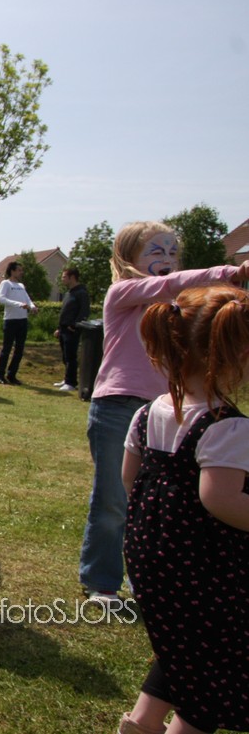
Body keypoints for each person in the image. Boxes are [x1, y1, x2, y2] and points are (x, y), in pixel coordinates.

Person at [78, 220, 249, 604]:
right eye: (157, 251)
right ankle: (101, 581)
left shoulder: (176, 306)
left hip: (167, 409)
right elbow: (173, 283)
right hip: (118, 406)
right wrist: (231, 272)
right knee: (113, 499)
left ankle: (147, 577)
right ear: (128, 258)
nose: (168, 259)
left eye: (173, 251)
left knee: (157, 502)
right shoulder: (122, 292)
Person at [117, 284, 249, 734]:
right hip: (206, 569)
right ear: (239, 356)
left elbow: (130, 479)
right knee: (215, 673)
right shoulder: (226, 426)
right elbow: (221, 499)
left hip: (150, 558)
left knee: (182, 647)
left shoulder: (147, 413)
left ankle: (141, 721)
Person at [0, 260, 37, 385]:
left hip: (22, 320)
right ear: (12, 271)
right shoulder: (5, 283)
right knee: (6, 349)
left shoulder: (21, 286)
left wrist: (32, 306)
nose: (21, 272)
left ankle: (12, 375)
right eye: (19, 270)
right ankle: (0, 375)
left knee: (19, 349)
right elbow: (1, 299)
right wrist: (18, 304)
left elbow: (27, 299)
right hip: (10, 320)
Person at [54, 265, 91, 392]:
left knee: (71, 356)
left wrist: (74, 326)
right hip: (63, 329)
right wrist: (59, 328)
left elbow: (84, 312)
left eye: (64, 277)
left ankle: (71, 382)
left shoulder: (82, 293)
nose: (62, 279)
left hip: (71, 330)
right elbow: (65, 312)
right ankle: (66, 379)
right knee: (65, 356)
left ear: (72, 277)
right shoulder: (69, 293)